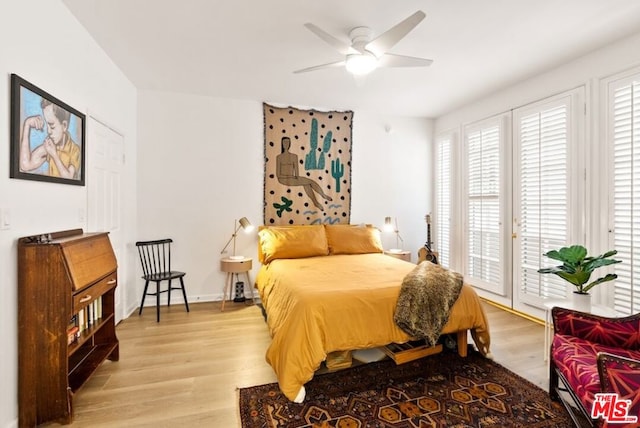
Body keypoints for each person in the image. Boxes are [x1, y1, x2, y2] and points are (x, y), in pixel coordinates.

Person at [19, 98, 81, 179]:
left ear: (64, 126)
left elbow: (69, 177)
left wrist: (54, 155)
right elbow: (25, 165)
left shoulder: (75, 150)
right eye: (47, 125)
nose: (48, 131)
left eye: (52, 126)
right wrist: (27, 125)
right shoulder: (49, 146)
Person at [276, 136, 332, 211]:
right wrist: (290, 176)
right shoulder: (279, 157)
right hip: (282, 179)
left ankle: (318, 200)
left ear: (290, 143)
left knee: (308, 183)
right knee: (309, 182)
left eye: (288, 142)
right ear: (281, 144)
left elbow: (297, 171)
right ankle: (321, 197)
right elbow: (278, 174)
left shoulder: (294, 156)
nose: (286, 144)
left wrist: (296, 177)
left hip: (293, 178)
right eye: (284, 142)